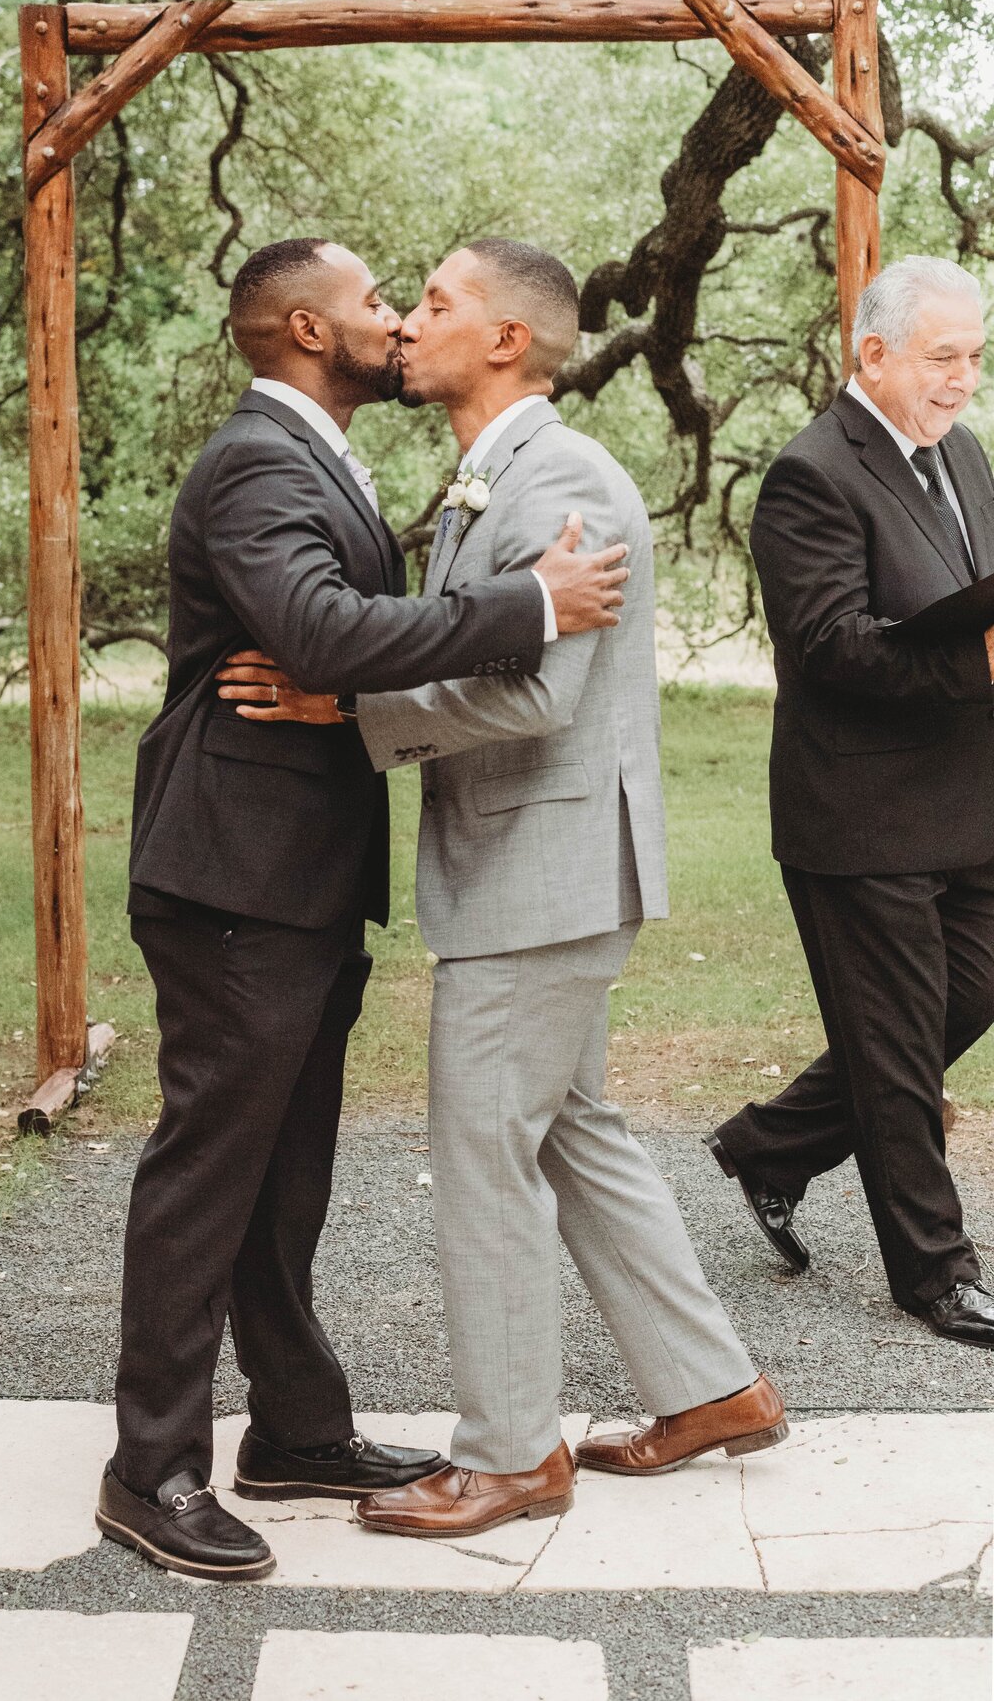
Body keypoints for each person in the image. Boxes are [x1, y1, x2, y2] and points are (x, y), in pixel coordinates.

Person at [221, 240, 784, 1543]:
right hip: (551, 867)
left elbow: (537, 691)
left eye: (433, 305)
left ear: (508, 342)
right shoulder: (498, 478)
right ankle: (715, 1387)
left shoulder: (560, 479)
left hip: (543, 869)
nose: (407, 327)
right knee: (573, 1130)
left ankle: (509, 1455)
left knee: (482, 1154)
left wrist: (348, 703)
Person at [97, 238, 633, 1583]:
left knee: (287, 1175)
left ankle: (295, 1429)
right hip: (233, 875)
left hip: (299, 878)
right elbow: (325, 634)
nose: (396, 323)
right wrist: (531, 601)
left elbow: (338, 642)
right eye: (376, 305)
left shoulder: (320, 457)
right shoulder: (255, 465)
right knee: (207, 1175)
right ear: (302, 328)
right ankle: (149, 1467)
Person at [706, 254, 994, 1350]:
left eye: (974, 356)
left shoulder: (961, 451)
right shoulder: (810, 475)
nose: (964, 379)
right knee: (895, 1043)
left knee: (933, 1020)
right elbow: (830, 650)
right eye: (943, 357)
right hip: (860, 817)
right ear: (874, 354)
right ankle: (934, 1272)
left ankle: (773, 1146)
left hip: (970, 804)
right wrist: (983, 660)